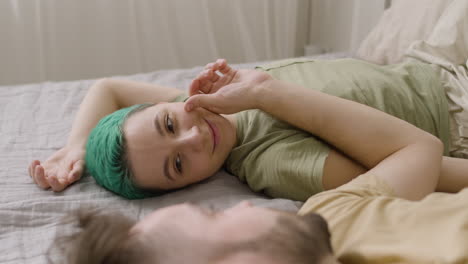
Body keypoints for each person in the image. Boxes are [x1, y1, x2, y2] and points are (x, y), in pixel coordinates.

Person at [48, 8, 468, 259]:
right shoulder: (274, 162)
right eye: (178, 164)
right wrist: (265, 95)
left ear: (167, 104)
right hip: (454, 111)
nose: (193, 139)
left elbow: (109, 87)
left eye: (169, 123)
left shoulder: (205, 104)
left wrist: (76, 147)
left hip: (425, 63)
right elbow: (424, 170)